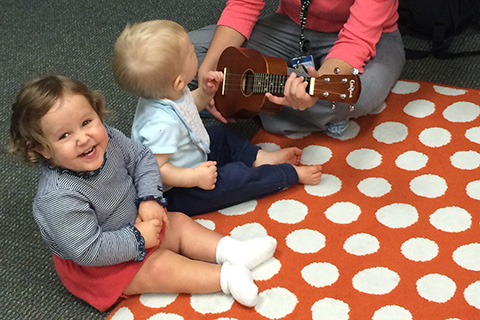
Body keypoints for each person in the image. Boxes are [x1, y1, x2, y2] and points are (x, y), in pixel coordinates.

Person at [8, 74, 279, 311]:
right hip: (100, 262)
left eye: (87, 121)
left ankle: (232, 250)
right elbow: (88, 249)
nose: (83, 137)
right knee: (159, 266)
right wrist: (138, 239)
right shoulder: (57, 197)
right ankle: (226, 277)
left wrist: (150, 197)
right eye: (64, 136)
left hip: (137, 220)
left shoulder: (109, 139)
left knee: (181, 223)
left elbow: (142, 159)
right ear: (41, 149)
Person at [112, 20, 322, 216]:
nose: (195, 52)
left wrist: (204, 92)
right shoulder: (160, 126)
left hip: (194, 156)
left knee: (220, 135)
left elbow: (186, 108)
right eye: (191, 53)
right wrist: (194, 177)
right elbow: (156, 171)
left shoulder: (165, 92)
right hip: (178, 190)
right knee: (234, 180)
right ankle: (288, 175)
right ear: (177, 81)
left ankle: (260, 158)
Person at [188, 0, 406, 135]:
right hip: (291, 27)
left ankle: (247, 98)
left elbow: (356, 40)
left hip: (372, 37)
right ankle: (310, 112)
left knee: (359, 94)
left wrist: (313, 89)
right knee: (182, 54)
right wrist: (209, 67)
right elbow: (243, 5)